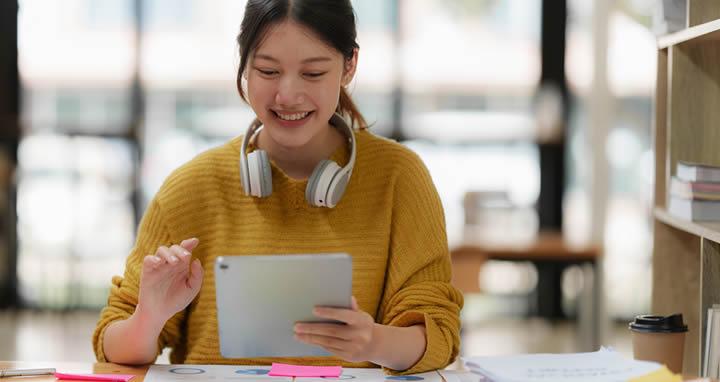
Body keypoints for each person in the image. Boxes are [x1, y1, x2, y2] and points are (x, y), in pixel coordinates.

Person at [92, 0, 462, 374]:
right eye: (268, 71)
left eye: (313, 73)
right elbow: (113, 349)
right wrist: (149, 316)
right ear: (245, 65)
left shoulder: (399, 177)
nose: (287, 95)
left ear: (349, 65)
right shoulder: (191, 188)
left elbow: (439, 334)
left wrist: (374, 342)